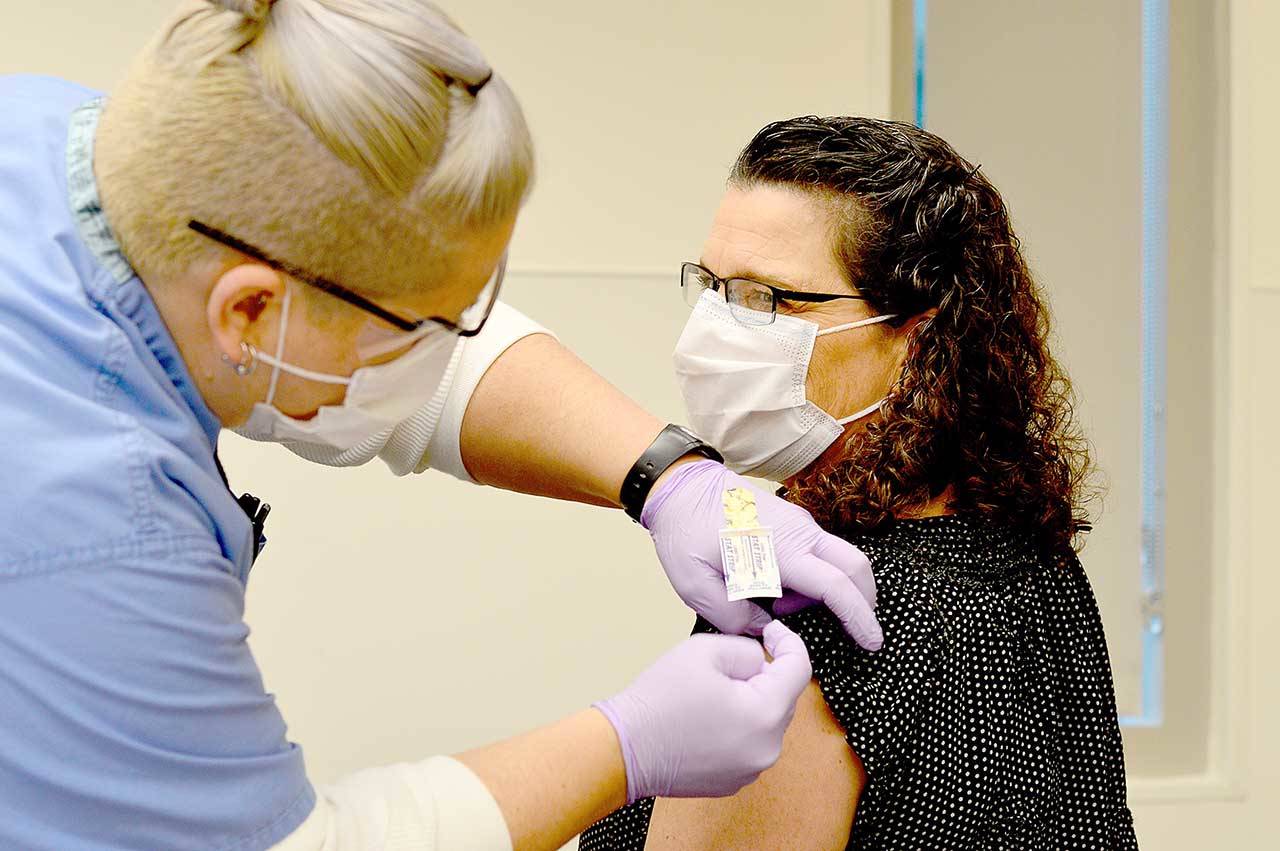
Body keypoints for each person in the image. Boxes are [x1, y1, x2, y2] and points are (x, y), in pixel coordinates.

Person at [0, 2, 885, 849]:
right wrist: (626, 746)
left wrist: (668, 474)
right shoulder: (98, 525)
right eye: (423, 331)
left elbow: (417, 353)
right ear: (249, 313)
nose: (445, 355)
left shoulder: (93, 148)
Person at [582, 117, 1138, 849]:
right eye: (713, 286)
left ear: (917, 336)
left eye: (764, 299)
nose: (713, 331)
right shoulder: (1031, 556)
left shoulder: (823, 606)